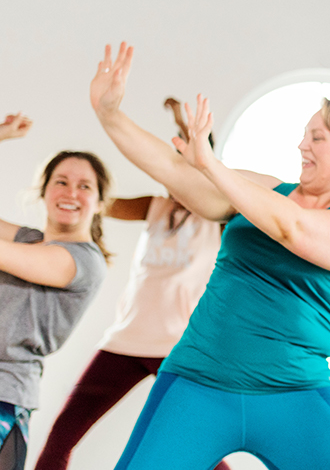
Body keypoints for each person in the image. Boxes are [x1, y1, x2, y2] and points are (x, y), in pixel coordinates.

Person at [89, 43, 330, 469]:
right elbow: (173, 170)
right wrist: (110, 115)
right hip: (197, 381)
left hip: (296, 393)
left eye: (317, 137)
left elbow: (293, 228)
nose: (301, 145)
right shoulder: (265, 190)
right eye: (304, 134)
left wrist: (212, 166)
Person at [34, 99, 228, 470]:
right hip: (125, 341)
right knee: (62, 435)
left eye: (185, 168)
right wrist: (69, 188)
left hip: (179, 348)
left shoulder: (215, 218)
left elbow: (204, 167)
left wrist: (186, 126)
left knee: (201, 447)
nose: (175, 176)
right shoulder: (153, 206)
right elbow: (97, 201)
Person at [0, 114, 110, 470]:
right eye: (61, 181)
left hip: (4, 394)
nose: (71, 193)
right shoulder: (27, 239)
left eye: (84, 186)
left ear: (100, 202)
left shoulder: (85, 261)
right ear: (44, 191)